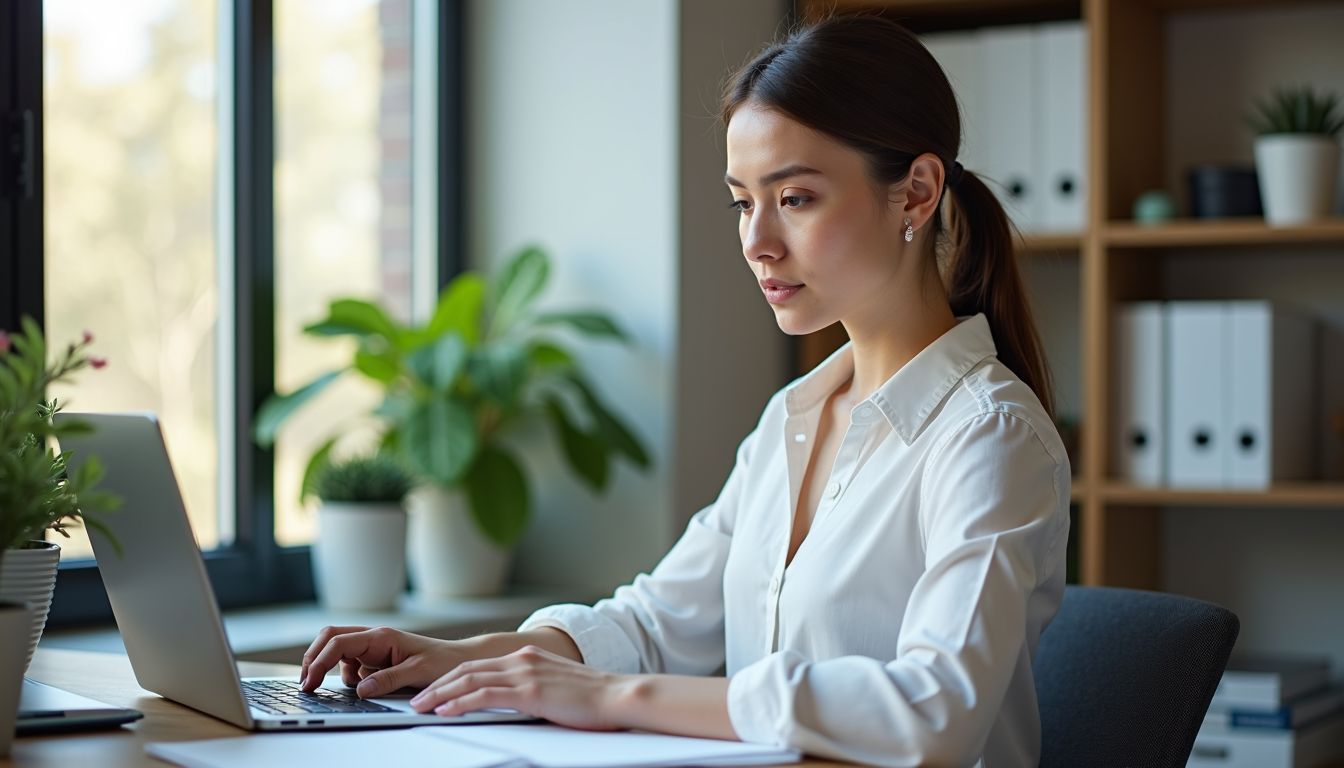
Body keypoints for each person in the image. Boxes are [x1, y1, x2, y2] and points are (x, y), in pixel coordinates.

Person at [300, 15, 1070, 767]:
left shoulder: (990, 436)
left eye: (795, 198)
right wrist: (461, 655)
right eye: (743, 201)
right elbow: (654, 621)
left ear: (917, 192)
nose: (757, 242)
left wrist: (614, 698)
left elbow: (934, 715)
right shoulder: (792, 422)